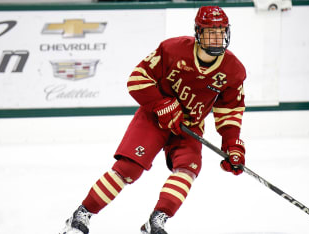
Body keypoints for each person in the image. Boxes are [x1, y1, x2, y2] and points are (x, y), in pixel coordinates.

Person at [60, 5, 246, 234]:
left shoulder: (233, 70)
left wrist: (231, 143)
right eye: (210, 31)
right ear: (198, 32)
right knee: (128, 169)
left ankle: (156, 221)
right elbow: (137, 79)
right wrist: (162, 105)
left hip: (189, 126)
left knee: (187, 169)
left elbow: (230, 110)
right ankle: (82, 214)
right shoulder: (172, 50)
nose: (217, 38)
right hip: (154, 118)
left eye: (221, 31)